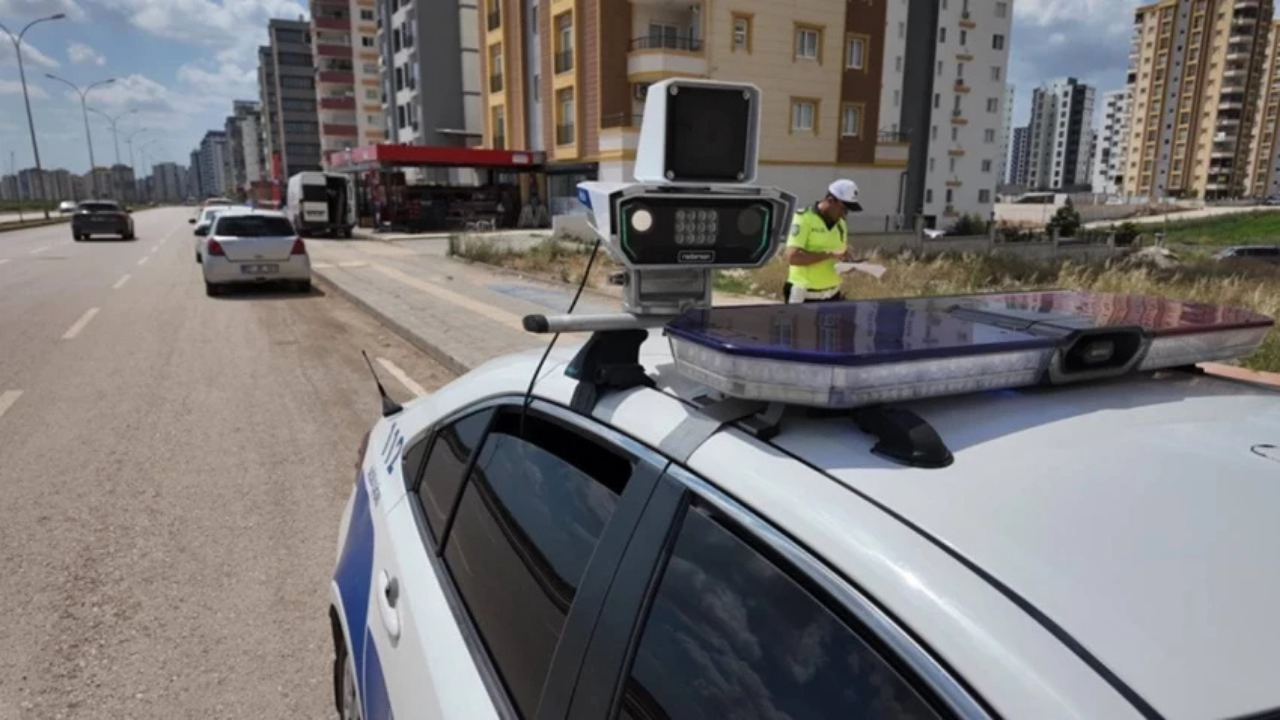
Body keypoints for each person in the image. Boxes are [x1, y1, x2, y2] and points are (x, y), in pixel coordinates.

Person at [783, 179, 862, 304]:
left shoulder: (841, 224)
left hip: (833, 294)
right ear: (830, 200)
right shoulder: (803, 218)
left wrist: (849, 262)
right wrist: (829, 255)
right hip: (804, 295)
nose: (845, 214)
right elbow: (793, 257)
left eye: (848, 211)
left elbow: (841, 251)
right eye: (844, 209)